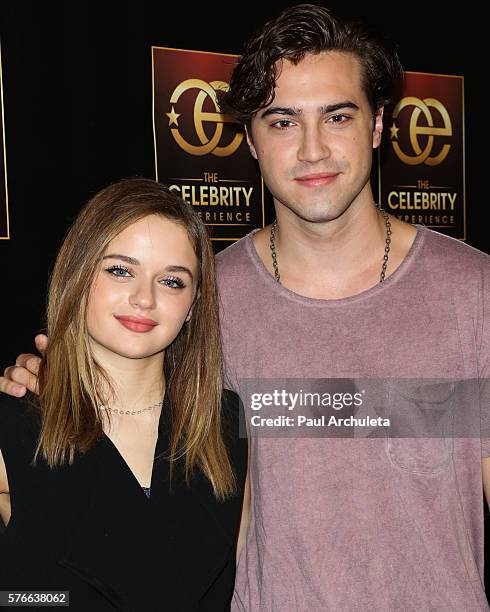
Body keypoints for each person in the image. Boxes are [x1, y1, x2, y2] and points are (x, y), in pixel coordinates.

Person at [2, 4, 489, 610]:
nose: (313, 150)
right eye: (282, 122)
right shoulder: (199, 303)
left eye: (337, 116)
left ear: (377, 126)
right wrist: (44, 385)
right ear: (253, 141)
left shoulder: (474, 293)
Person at [0, 178, 247, 611]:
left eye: (172, 281)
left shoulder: (224, 425)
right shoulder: (15, 429)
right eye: (120, 270)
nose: (144, 298)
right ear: (79, 276)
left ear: (193, 305)